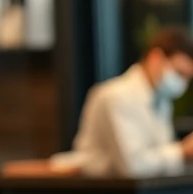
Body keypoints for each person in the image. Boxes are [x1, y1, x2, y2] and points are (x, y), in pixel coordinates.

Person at [47, 26, 193, 178]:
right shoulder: (117, 97)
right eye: (179, 73)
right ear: (155, 58)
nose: (182, 83)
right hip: (103, 189)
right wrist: (182, 151)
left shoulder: (161, 101)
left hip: (139, 189)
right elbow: (132, 166)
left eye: (187, 78)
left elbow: (159, 157)